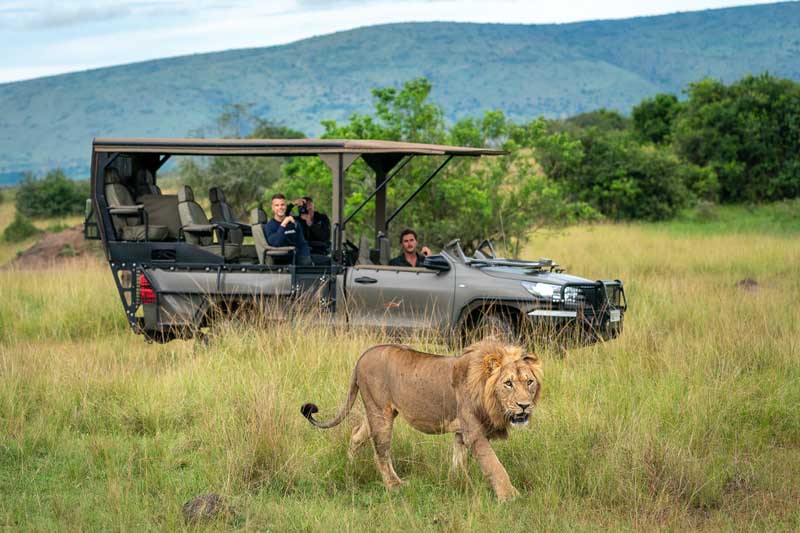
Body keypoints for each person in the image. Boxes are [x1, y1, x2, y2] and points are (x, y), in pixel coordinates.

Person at [264, 194, 312, 266]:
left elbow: (302, 243)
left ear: (286, 206)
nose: (280, 207)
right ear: (273, 208)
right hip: (284, 262)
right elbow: (276, 243)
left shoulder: (294, 223)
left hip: (299, 259)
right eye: (277, 205)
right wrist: (284, 223)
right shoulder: (269, 226)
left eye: (282, 205)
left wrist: (306, 257)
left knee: (327, 261)